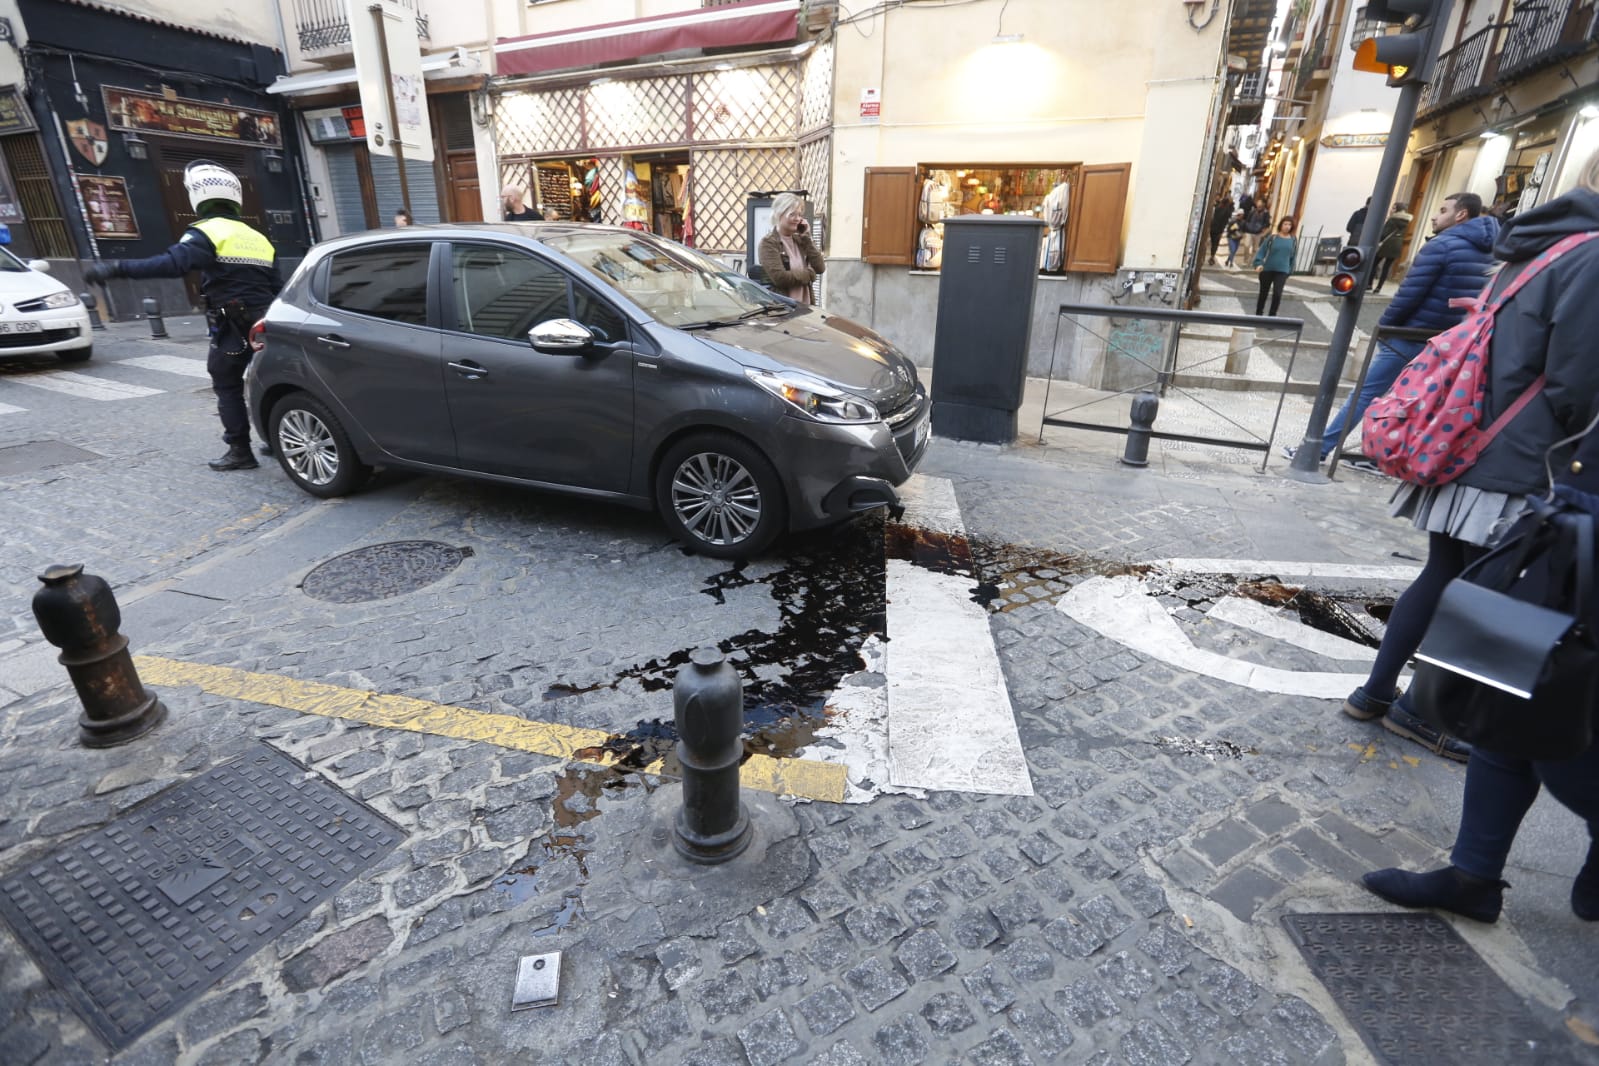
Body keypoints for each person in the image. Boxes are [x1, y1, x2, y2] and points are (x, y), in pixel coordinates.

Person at [1358, 150, 1599, 922]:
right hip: (1545, 482)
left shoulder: (1539, 242)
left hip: (1495, 460)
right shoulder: (1589, 255)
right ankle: (1472, 873)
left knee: (1518, 661)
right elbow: (1575, 385)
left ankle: (1389, 703)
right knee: (1521, 670)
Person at [83, 160, 280, 472]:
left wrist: (115, 268)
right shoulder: (257, 236)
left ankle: (240, 451)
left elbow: (170, 264)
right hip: (265, 322)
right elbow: (277, 285)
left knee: (227, 383)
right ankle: (277, 441)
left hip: (231, 323)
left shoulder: (205, 232)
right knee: (270, 379)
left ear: (198, 197)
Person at [1293, 191, 1498, 469]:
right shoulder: (1489, 250)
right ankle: (1387, 458)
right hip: (1449, 340)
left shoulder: (1442, 245)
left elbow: (1410, 293)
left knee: (1365, 394)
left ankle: (1318, 449)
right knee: (1420, 401)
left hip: (1411, 333)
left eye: (1442, 210)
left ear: (1461, 214)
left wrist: (1385, 326)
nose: (1435, 216)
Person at [757, 192, 824, 305]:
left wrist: (807, 238)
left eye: (799, 215)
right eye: (792, 214)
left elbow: (820, 267)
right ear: (779, 215)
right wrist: (810, 274)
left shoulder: (800, 240)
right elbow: (780, 278)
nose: (797, 219)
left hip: (807, 307)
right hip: (783, 310)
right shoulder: (768, 243)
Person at [1253, 217, 1296, 317]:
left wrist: (1290, 270)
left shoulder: (1293, 240)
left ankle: (1272, 316)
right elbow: (1262, 251)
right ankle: (1258, 314)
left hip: (1282, 271)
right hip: (1267, 269)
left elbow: (1293, 256)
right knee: (1263, 293)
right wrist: (1258, 264)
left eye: (1289, 225)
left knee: (1277, 294)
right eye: (1285, 224)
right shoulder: (1272, 238)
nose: (1287, 227)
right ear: (1281, 225)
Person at [1369, 201, 1411, 293]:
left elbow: (1384, 233)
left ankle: (1369, 284)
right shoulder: (1406, 220)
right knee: (1386, 267)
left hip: (1387, 244)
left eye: (1394, 208)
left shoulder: (1392, 219)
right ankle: (1378, 288)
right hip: (1397, 245)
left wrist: (1378, 240)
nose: (1391, 210)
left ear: (1398, 210)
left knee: (1374, 263)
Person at [1238, 198, 1270, 265]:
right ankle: (1245, 261)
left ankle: (1252, 261)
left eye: (1260, 203)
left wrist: (1263, 231)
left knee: (1255, 249)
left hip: (1258, 233)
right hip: (1249, 232)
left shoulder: (1266, 213)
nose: (1258, 205)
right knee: (1246, 246)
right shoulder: (1252, 211)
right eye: (1258, 203)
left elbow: (1267, 224)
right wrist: (1245, 229)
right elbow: (1247, 220)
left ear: (1263, 204)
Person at [1208, 193, 1233, 266]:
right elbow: (1225, 221)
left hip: (1213, 227)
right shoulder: (1227, 211)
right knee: (1215, 244)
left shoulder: (1217, 208)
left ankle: (1211, 256)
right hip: (1219, 229)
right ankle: (1212, 256)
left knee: (1213, 243)